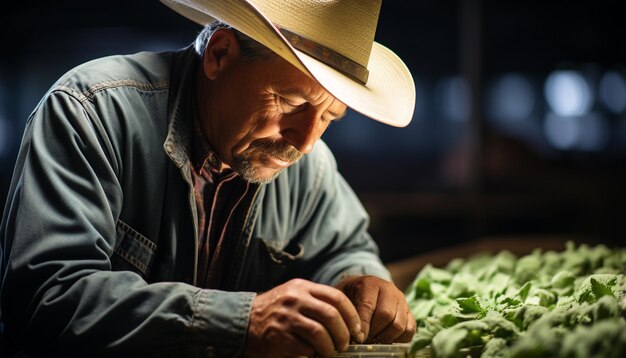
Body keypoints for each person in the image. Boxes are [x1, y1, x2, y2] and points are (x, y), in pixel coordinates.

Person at [0, 0, 417, 357]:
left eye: (329, 117)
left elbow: (344, 249)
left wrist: (364, 281)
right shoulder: (91, 113)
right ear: (219, 54)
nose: (306, 142)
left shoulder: (311, 166)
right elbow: (46, 298)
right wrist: (241, 323)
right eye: (291, 102)